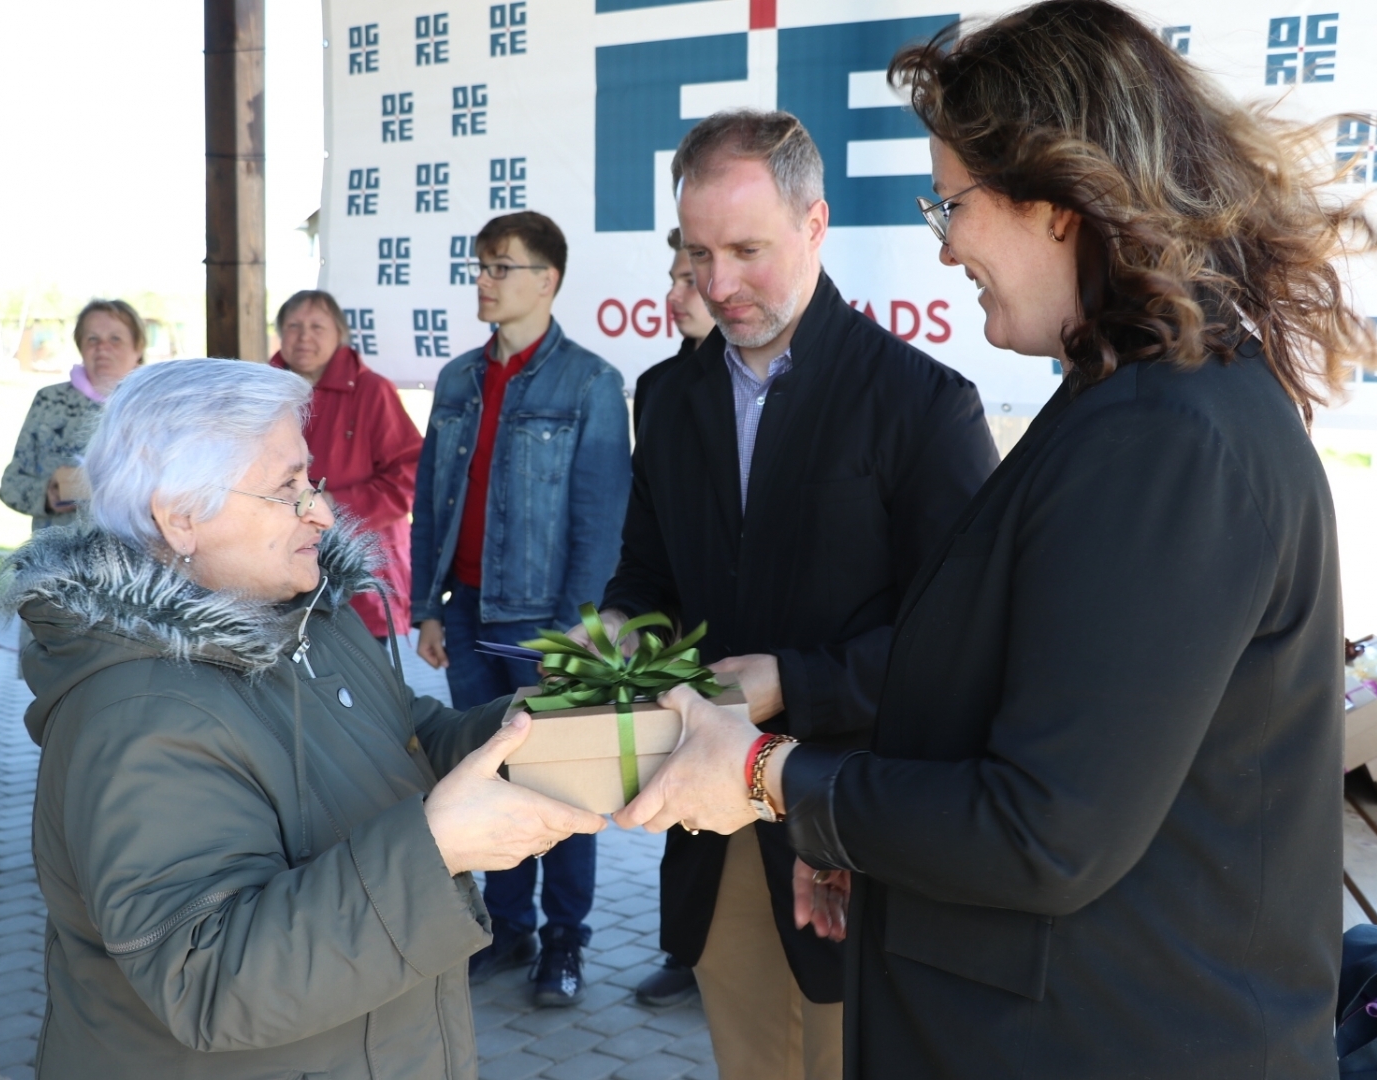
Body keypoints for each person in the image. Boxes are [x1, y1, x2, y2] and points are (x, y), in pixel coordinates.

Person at [613, 4, 1377, 1077]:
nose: (946, 245)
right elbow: (1026, 699)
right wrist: (864, 846)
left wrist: (769, 778)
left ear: (1061, 201)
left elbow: (1044, 827)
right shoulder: (1129, 404)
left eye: (955, 202)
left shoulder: (1168, 440)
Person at [4, 358, 604, 1079]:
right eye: (286, 489)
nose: (320, 510)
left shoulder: (296, 613)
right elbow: (210, 980)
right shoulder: (140, 714)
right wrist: (436, 846)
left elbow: (401, 738)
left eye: (309, 480)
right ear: (180, 516)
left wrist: (562, 724)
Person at [590, 110, 998, 1079]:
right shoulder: (669, 396)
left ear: (815, 226)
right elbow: (645, 576)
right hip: (710, 815)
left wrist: (793, 683)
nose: (717, 285)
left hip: (857, 824)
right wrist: (615, 635)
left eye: (746, 250)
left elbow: (965, 646)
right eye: (695, 253)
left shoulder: (922, 406)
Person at [411, 211, 631, 1005]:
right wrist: (427, 608)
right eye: (480, 266)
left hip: (551, 621)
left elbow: (601, 519)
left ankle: (565, 939)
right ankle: (509, 929)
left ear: (549, 280)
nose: (484, 280)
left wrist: (584, 623)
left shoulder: (592, 383)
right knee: (484, 772)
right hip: (467, 613)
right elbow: (430, 502)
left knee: (565, 787)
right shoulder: (458, 379)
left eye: (501, 267)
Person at [632, 225, 719, 1009]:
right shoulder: (660, 390)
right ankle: (684, 951)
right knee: (681, 813)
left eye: (689, 279)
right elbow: (644, 544)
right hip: (680, 650)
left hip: (770, 669)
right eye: (676, 276)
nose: (676, 296)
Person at [270, 289, 423, 640]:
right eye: (294, 326)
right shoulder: (263, 390)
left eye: (317, 327)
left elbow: (410, 475)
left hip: (359, 570)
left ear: (340, 334)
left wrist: (338, 505)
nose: (304, 336)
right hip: (281, 568)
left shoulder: (372, 390)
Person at [0, 299, 146, 530]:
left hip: (136, 558)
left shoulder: (157, 406)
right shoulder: (49, 401)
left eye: (115, 339)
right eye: (92, 339)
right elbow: (10, 485)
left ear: (138, 348)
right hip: (60, 559)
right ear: (80, 347)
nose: (102, 347)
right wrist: (48, 495)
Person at [632, 227, 718, 433]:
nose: (672, 295)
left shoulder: (760, 379)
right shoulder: (652, 384)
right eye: (673, 281)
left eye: (690, 282)